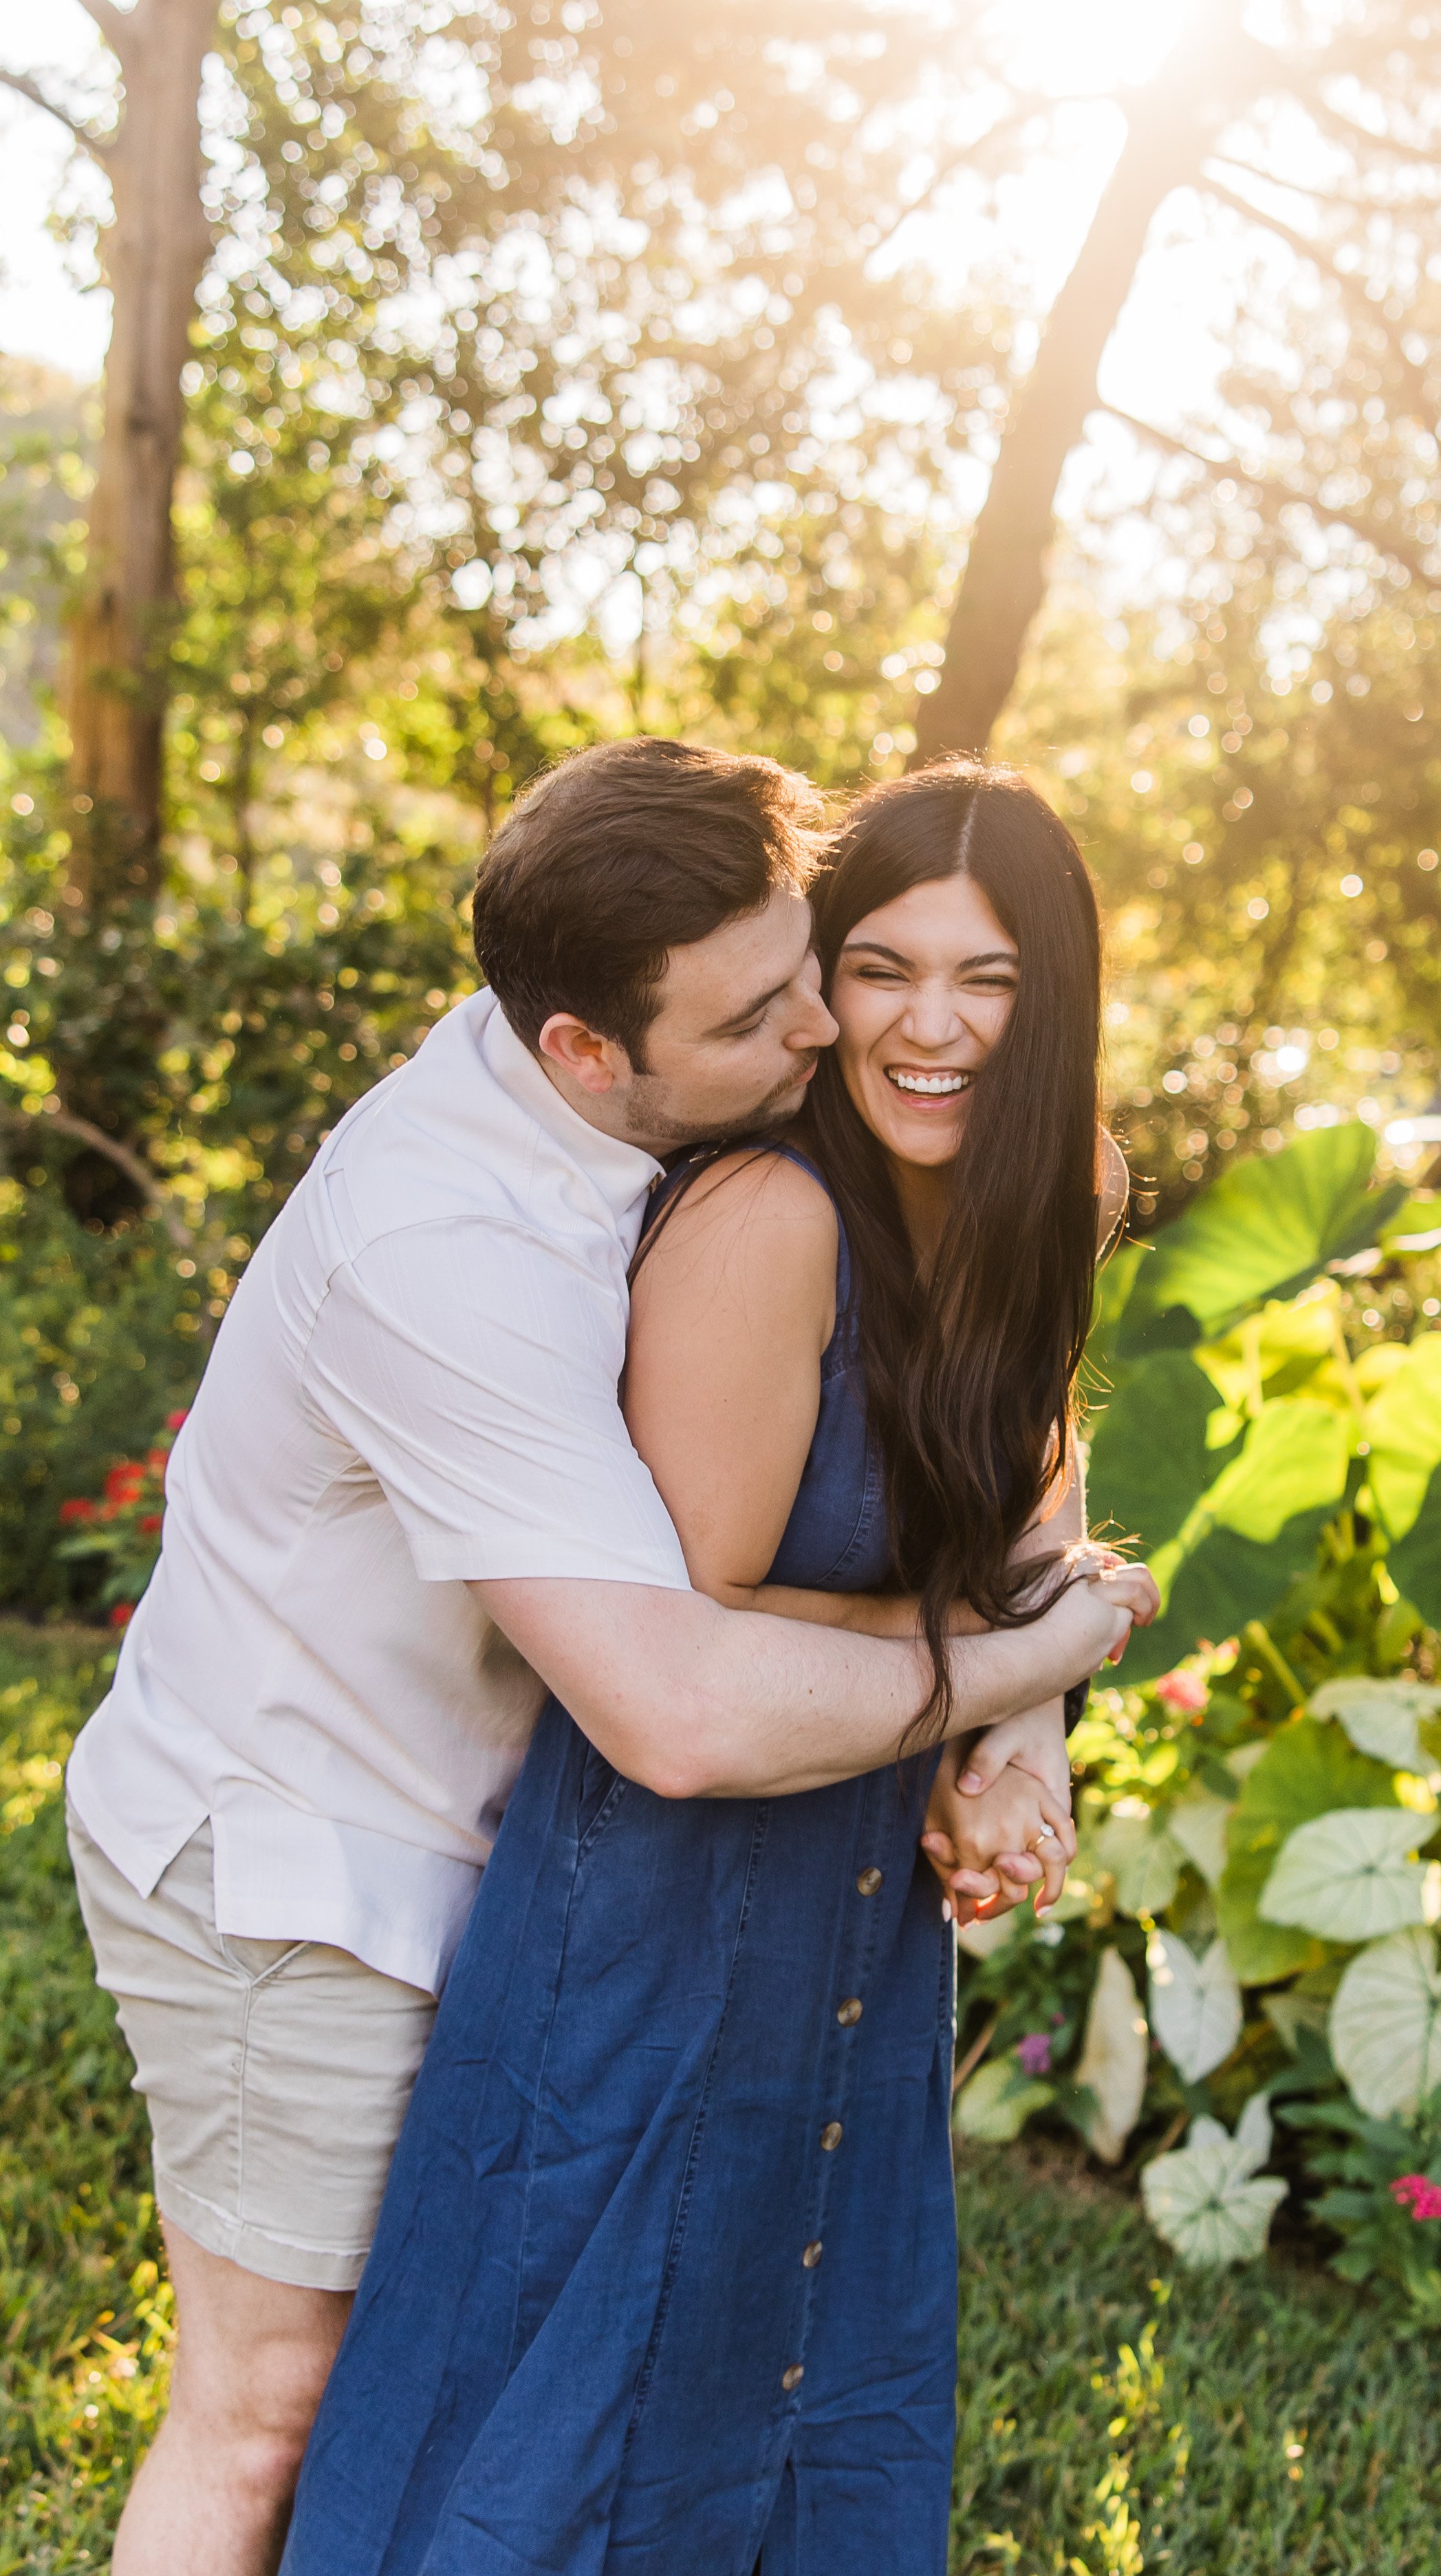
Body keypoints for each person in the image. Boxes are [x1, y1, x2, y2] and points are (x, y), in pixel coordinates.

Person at [64, 738, 1145, 2576]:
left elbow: (1005, 1450)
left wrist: (1028, 1720)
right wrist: (1022, 1655)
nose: (839, 1033)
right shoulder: (461, 1249)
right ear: (595, 1051)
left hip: (535, 1834)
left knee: (679, 2388)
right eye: (822, 989)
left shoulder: (753, 1108)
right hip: (300, 1850)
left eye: (827, 965)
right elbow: (678, 1694)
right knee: (282, 2411)